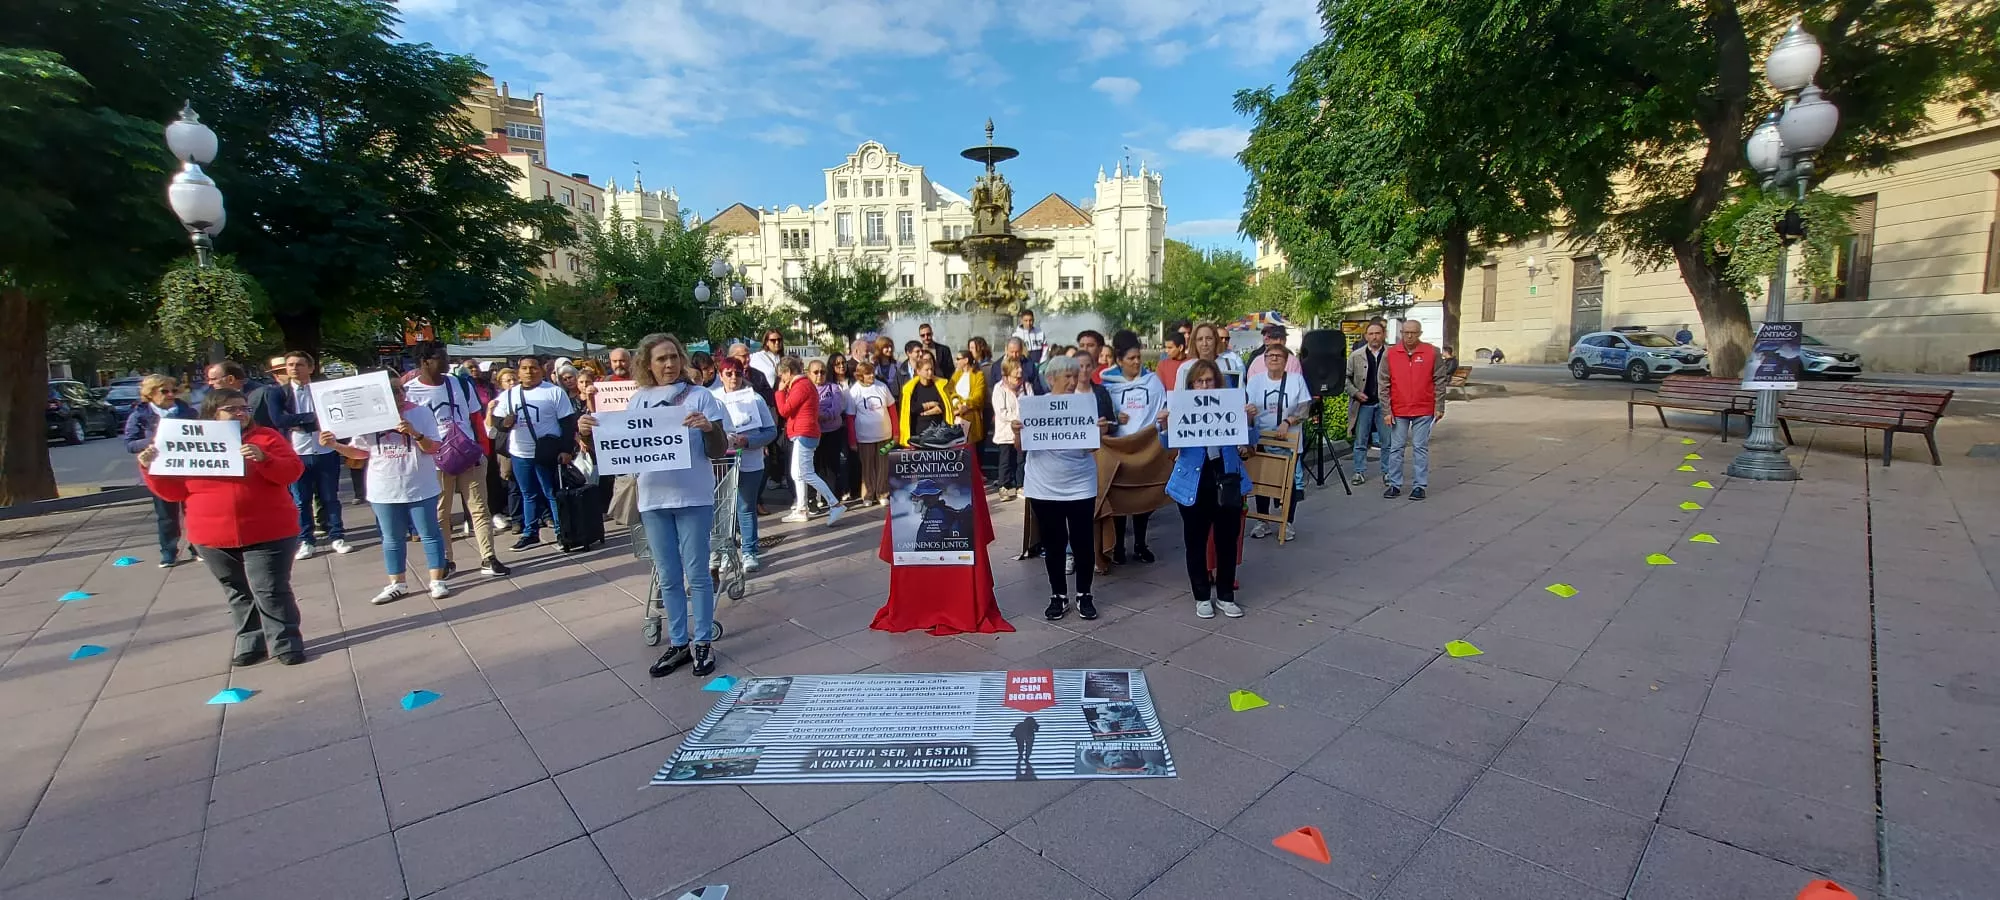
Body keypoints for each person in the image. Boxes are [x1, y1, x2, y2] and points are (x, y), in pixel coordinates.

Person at [580, 333, 729, 678]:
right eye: (661, 359)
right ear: (648, 364)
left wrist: (708, 429)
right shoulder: (639, 400)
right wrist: (588, 432)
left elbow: (718, 449)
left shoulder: (701, 396)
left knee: (697, 573)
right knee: (667, 575)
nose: (669, 364)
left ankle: (703, 641)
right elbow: (616, 447)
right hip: (653, 498)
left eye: (674, 357)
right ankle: (678, 643)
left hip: (693, 497)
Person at [137, 388, 308, 666]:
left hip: (269, 529)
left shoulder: (266, 437)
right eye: (232, 409)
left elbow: (292, 472)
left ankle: (286, 642)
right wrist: (149, 468)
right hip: (211, 534)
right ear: (212, 412)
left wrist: (265, 459)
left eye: (244, 408)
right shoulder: (189, 441)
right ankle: (250, 642)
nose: (240, 414)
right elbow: (173, 493)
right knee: (237, 590)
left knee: (270, 588)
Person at [320, 377, 452, 603]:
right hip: (384, 486)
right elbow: (360, 453)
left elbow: (435, 447)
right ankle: (397, 583)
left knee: (429, 533)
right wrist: (334, 445)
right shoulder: (368, 418)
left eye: (401, 390)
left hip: (420, 484)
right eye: (392, 391)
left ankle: (437, 580)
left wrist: (415, 434)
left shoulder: (421, 413)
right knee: (392, 538)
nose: (399, 395)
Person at [1009, 354, 1112, 621]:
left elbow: (1091, 447)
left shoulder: (1084, 404)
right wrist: (1017, 432)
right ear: (1051, 378)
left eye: (1074, 376)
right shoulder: (1035, 406)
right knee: (1053, 543)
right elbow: (1021, 447)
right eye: (1066, 376)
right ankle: (1058, 595)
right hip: (1044, 485)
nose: (1072, 381)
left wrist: (1098, 433)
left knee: (1082, 541)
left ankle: (1084, 594)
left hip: (1079, 483)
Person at [1154, 359, 1255, 618]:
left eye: (1209, 380)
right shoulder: (1180, 406)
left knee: (1227, 541)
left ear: (1217, 382)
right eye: (1199, 381)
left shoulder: (1231, 403)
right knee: (1195, 542)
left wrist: (1250, 421)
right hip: (1194, 481)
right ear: (1191, 385)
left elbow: (1250, 440)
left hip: (1227, 476)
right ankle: (1201, 596)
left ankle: (1225, 595)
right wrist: (1164, 426)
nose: (1204, 385)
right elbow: (1167, 444)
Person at [405, 342, 507, 577]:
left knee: (479, 508)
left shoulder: (460, 383)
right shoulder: (410, 391)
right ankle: (446, 560)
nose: (446, 361)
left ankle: (488, 557)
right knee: (442, 512)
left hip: (467, 453)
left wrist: (483, 451)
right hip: (434, 457)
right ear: (425, 361)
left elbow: (475, 417)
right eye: (441, 357)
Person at [266, 351, 349, 560]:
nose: (294, 368)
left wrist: (299, 421)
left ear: (310, 368)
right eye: (290, 364)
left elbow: (336, 415)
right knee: (301, 500)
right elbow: (279, 420)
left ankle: (336, 535)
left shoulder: (323, 390)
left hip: (325, 449)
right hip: (297, 452)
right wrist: (313, 418)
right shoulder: (278, 393)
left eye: (300, 364)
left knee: (330, 496)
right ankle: (306, 540)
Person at [490, 356, 578, 549]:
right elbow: (497, 422)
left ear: (541, 370)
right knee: (527, 493)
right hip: (520, 452)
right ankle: (530, 533)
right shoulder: (509, 395)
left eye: (533, 368)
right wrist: (505, 422)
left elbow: (568, 422)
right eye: (525, 368)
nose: (529, 371)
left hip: (547, 451)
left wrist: (566, 449)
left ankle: (561, 532)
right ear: (518, 371)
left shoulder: (554, 392)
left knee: (551, 492)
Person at [1100, 330, 1165, 563]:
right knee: (1119, 497)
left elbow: (1160, 408)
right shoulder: (1107, 384)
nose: (1137, 362)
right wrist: (1116, 417)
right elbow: (1102, 413)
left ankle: (1140, 543)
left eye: (1138, 357)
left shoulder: (1152, 381)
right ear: (1119, 360)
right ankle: (1117, 547)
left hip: (1145, 446)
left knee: (1143, 495)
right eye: (1131, 358)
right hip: (1118, 447)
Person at [123, 374, 198, 567]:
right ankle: (169, 552)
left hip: (188, 468)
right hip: (160, 472)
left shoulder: (187, 411)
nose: (171, 394)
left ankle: (198, 547)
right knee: (166, 515)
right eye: (164, 391)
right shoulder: (139, 415)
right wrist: (153, 440)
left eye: (174, 390)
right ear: (150, 394)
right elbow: (130, 444)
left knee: (194, 510)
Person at [711, 358, 777, 571]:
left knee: (745, 507)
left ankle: (749, 552)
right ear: (720, 375)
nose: (733, 378)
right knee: (722, 508)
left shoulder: (755, 399)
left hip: (750, 461)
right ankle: (724, 552)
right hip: (722, 462)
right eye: (728, 373)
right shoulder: (712, 399)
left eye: (737, 373)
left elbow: (771, 431)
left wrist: (749, 441)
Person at [1245, 342, 1311, 538]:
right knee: (1263, 478)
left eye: (1278, 356)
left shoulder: (1296, 380)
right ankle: (1263, 520)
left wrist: (1288, 421)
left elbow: (1305, 407)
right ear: (1264, 360)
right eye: (1270, 356)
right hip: (1263, 437)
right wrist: (1250, 414)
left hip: (1287, 438)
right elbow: (1246, 407)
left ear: (1286, 361)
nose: (1274, 359)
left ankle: (1287, 521)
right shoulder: (1255, 381)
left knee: (1288, 482)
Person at [774, 356, 848, 525]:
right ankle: (801, 508)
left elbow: (785, 410)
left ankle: (834, 503)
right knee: (797, 473)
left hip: (804, 432)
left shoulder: (801, 386)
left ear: (788, 372)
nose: (782, 379)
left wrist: (779, 392)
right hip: (804, 432)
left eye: (782, 375)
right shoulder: (804, 385)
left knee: (806, 473)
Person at [1383, 319, 1450, 501]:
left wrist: (1439, 406)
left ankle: (1419, 485)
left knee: (1420, 447)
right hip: (1399, 409)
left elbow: (1440, 380)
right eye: (1406, 332)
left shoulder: (1431, 352)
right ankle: (1394, 484)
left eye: (1413, 332)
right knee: (1396, 448)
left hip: (1424, 408)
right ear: (1401, 333)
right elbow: (1383, 384)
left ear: (1420, 333)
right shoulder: (1390, 354)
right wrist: (1386, 410)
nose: (1409, 336)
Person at [1344, 321, 1393, 486]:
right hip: (1363, 404)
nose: (1374, 337)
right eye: (1371, 334)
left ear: (1384, 335)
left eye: (1378, 333)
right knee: (1360, 440)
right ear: (1366, 336)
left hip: (1384, 405)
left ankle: (1388, 472)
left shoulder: (1391, 354)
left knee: (1387, 441)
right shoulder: (1356, 355)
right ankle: (1359, 471)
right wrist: (1355, 392)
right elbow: (1345, 378)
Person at [844, 358, 897, 506]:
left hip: (884, 435)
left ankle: (882, 493)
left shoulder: (882, 387)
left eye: (872, 373)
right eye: (868, 374)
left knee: (883, 465)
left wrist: (896, 433)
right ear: (860, 375)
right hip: (864, 437)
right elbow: (850, 418)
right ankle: (867, 495)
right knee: (867, 466)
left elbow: (892, 410)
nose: (872, 376)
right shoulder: (854, 391)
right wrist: (852, 440)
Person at [808, 358, 850, 509]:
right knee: (814, 467)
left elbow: (837, 407)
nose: (819, 375)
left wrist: (825, 415)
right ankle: (812, 500)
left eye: (823, 372)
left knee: (832, 467)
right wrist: (816, 415)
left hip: (832, 431)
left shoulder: (833, 388)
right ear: (809, 373)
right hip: (814, 433)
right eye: (816, 372)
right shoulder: (807, 388)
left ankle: (831, 498)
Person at [989, 358, 1033, 501]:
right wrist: (1019, 418)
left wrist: (1024, 419)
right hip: (1006, 432)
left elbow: (1031, 405)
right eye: (1015, 377)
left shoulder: (1027, 387)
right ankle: (1004, 486)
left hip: (1023, 432)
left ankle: (1021, 485)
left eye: (1020, 376)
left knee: (1022, 460)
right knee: (1005, 460)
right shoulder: (999, 388)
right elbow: (1001, 412)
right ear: (1006, 375)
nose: (1018, 379)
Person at [897, 350, 956, 445]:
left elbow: (943, 406)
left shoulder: (940, 385)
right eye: (927, 370)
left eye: (931, 369)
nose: (930, 372)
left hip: (938, 432)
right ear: (918, 371)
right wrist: (930, 405)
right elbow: (912, 408)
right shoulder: (910, 389)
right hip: (918, 431)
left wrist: (925, 411)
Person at [1178, 321, 1244, 390]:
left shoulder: (1230, 364)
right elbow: (1178, 397)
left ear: (1216, 340)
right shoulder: (1185, 368)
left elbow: (1240, 394)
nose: (1204, 343)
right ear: (1195, 343)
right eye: (1200, 339)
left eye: (1209, 338)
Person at [950, 349, 986, 445]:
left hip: (970, 415)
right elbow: (950, 391)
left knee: (970, 447)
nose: (956, 361)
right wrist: (957, 404)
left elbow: (978, 396)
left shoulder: (978, 375)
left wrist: (965, 405)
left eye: (958, 359)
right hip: (956, 415)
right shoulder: (956, 375)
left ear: (966, 360)